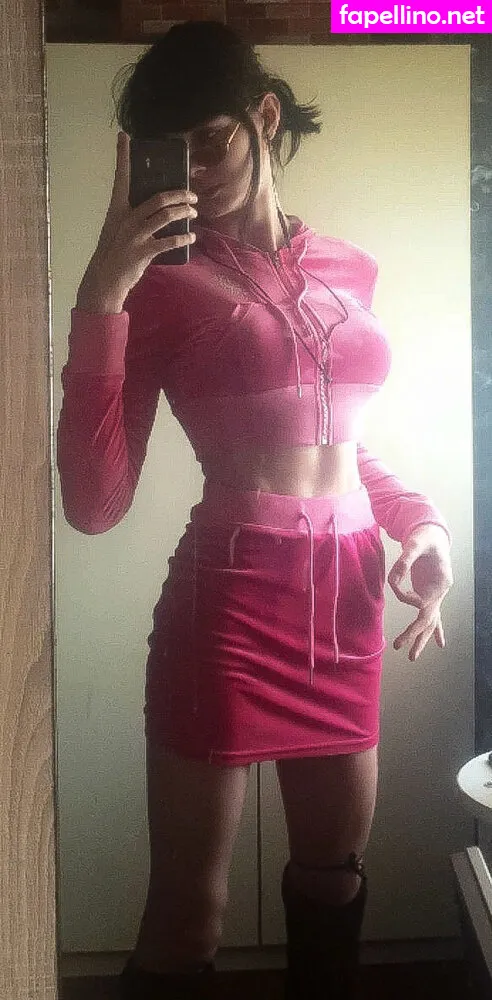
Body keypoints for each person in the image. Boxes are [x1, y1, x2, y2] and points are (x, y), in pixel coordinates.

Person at [56, 19, 453, 1000]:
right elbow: (96, 505)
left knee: (334, 877)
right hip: (229, 608)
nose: (195, 172)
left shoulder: (350, 268)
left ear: (264, 117)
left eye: (213, 139)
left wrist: (422, 526)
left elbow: (338, 448)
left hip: (348, 603)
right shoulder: (156, 288)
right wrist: (102, 292)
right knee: (188, 917)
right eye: (174, 153)